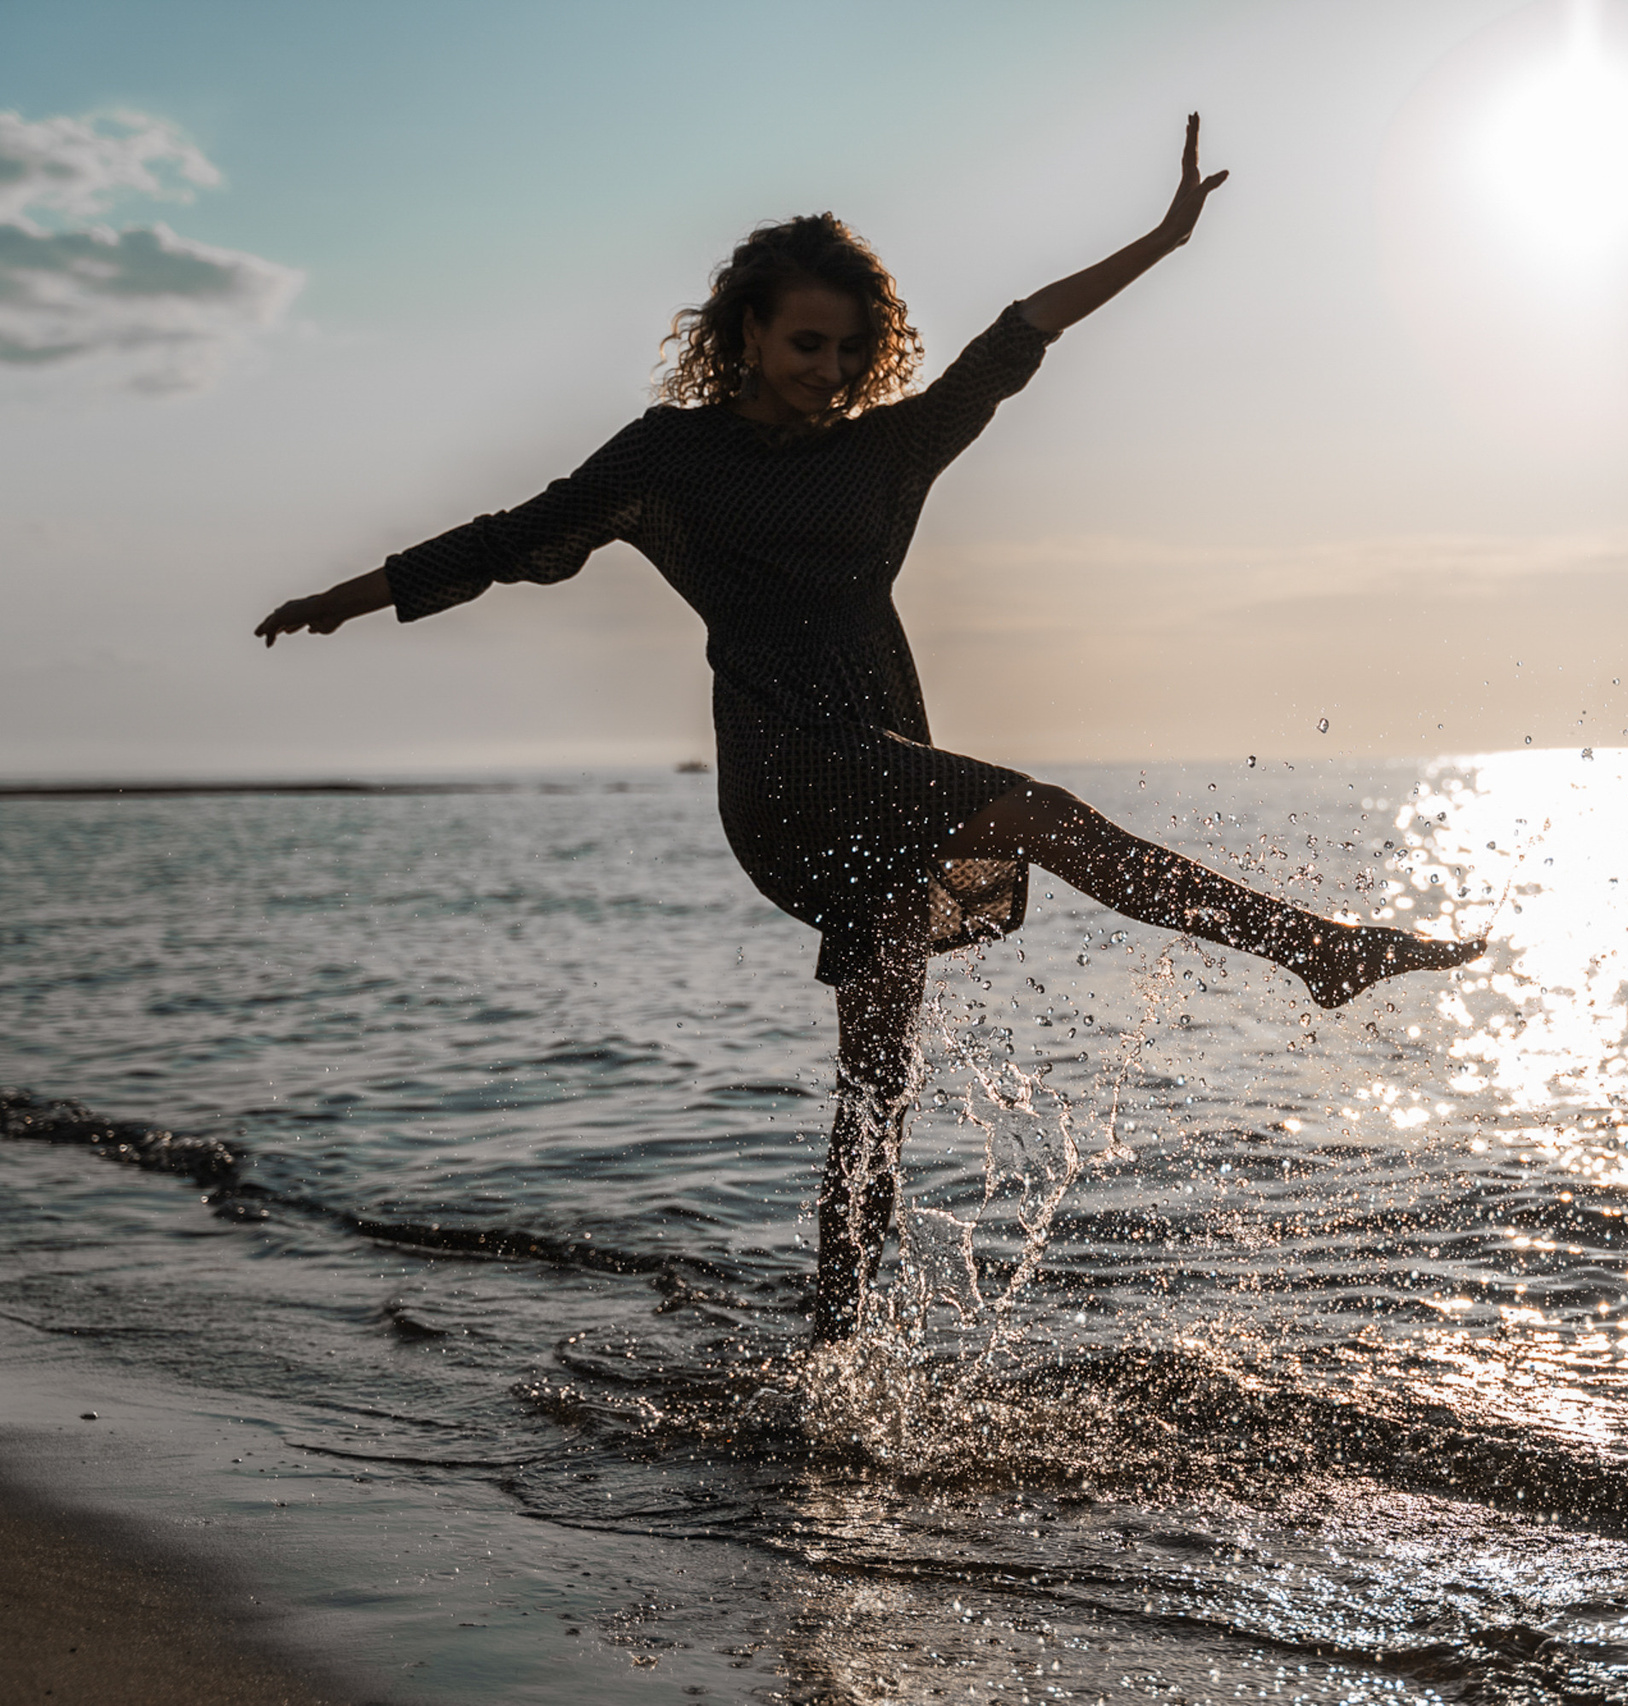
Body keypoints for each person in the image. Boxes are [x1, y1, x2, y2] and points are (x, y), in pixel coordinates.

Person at [254, 117, 1481, 1337]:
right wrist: (346, 599)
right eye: (802, 342)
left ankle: (828, 1347)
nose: (827, 370)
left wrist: (1162, 238)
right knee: (1042, 814)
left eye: (848, 349)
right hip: (789, 771)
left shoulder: (888, 454)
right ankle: (1315, 949)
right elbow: (508, 532)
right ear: (740, 330)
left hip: (886, 754)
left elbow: (1020, 336)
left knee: (876, 1084)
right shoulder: (668, 458)